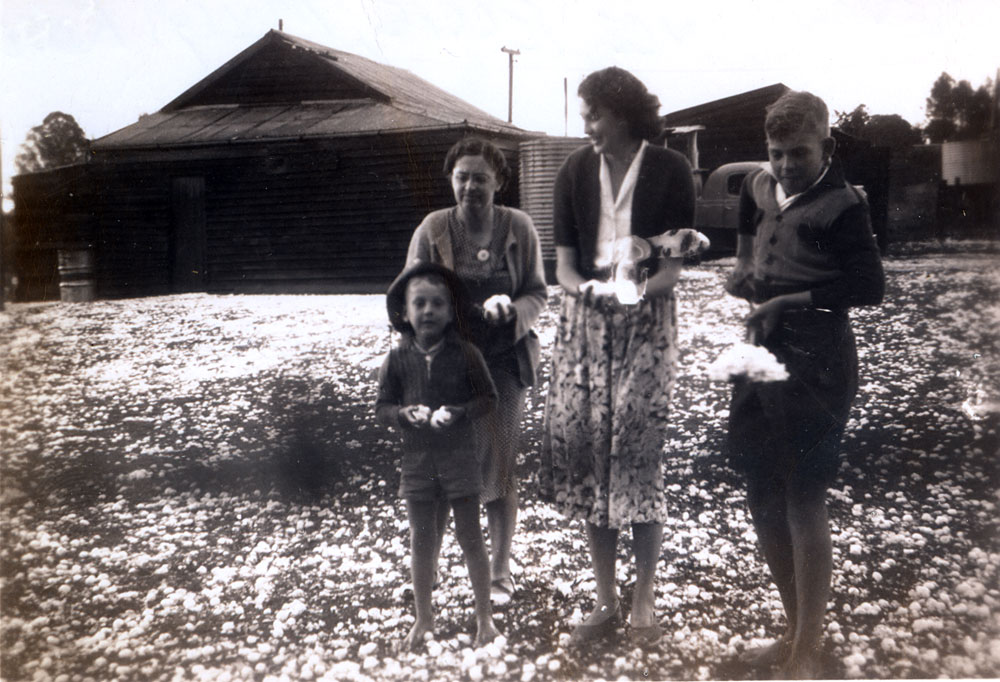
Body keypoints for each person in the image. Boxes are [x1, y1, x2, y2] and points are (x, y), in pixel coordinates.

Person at [538, 66, 708, 648]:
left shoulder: (670, 168)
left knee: (635, 454)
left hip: (646, 326)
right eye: (584, 115)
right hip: (584, 327)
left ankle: (643, 600)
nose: (586, 126)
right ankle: (606, 597)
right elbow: (561, 265)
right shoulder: (573, 170)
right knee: (591, 461)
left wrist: (632, 292)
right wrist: (586, 291)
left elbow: (673, 270)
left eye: (594, 115)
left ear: (624, 112)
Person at [723, 90, 885, 678]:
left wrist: (789, 296)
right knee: (761, 490)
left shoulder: (844, 205)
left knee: (801, 495)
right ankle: (793, 630)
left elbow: (870, 287)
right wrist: (744, 272)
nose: (786, 165)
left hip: (817, 360)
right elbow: (747, 236)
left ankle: (809, 651)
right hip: (759, 352)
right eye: (776, 153)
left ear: (827, 146)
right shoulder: (757, 185)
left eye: (798, 153)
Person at [406, 137, 547, 604]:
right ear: (451, 179)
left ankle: (500, 573)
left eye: (481, 178)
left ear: (499, 182)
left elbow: (537, 294)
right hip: (445, 366)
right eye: (462, 177)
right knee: (442, 468)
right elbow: (408, 296)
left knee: (499, 466)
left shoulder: (519, 227)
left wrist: (513, 308)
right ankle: (429, 571)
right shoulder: (432, 228)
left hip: (504, 363)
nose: (470, 186)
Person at [375, 262, 501, 650]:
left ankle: (484, 619)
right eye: (420, 304)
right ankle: (423, 619)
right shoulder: (396, 359)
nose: (428, 311)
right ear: (405, 313)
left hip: (459, 460)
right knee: (422, 539)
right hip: (417, 465)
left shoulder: (467, 354)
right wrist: (402, 414)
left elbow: (489, 399)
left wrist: (460, 412)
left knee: (470, 538)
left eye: (438, 304)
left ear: (451, 312)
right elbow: (382, 407)